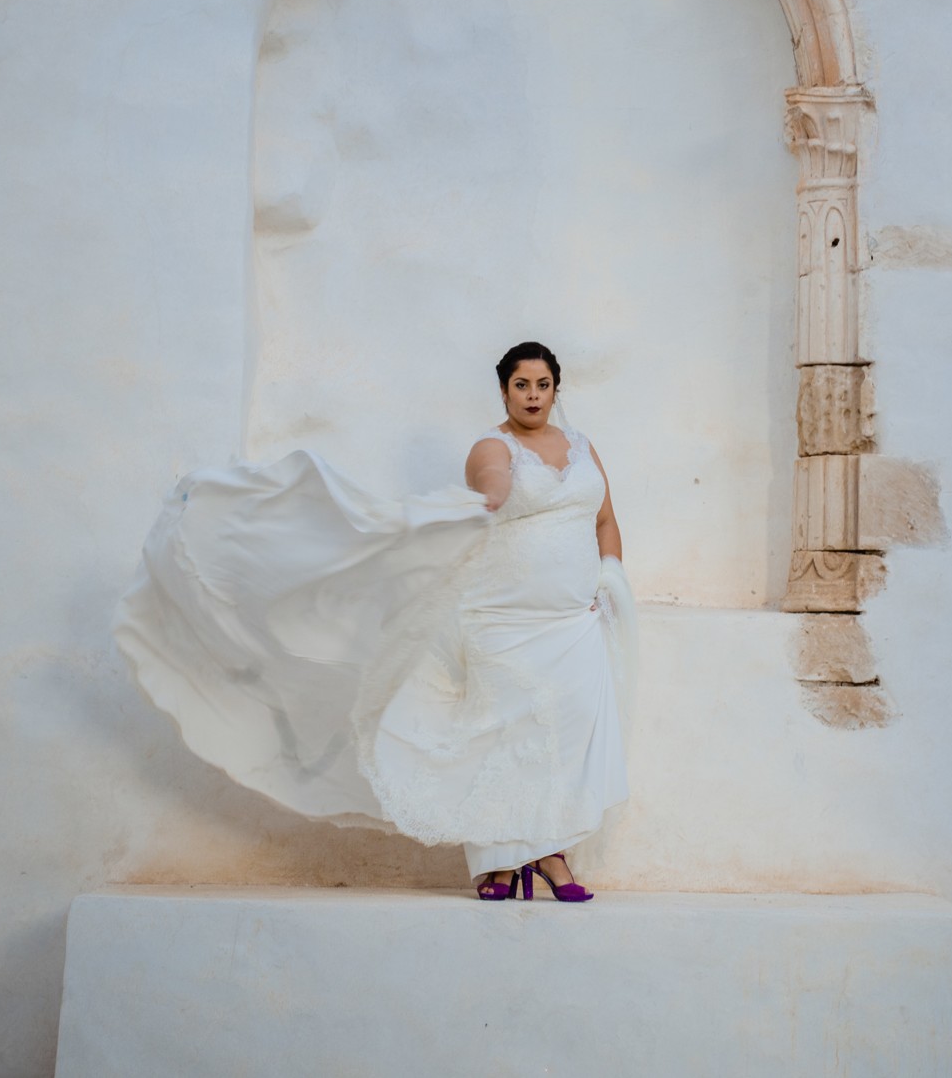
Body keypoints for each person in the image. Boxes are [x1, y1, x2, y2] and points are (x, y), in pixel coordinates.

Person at [114, 341, 632, 903]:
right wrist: (492, 494)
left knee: (562, 735)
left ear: (557, 389)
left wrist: (610, 580)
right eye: (521, 385)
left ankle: (548, 851)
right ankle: (505, 861)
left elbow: (604, 519)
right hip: (500, 620)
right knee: (504, 733)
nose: (533, 396)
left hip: (571, 621)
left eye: (543, 385)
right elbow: (493, 482)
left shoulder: (582, 447)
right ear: (504, 390)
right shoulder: (491, 447)